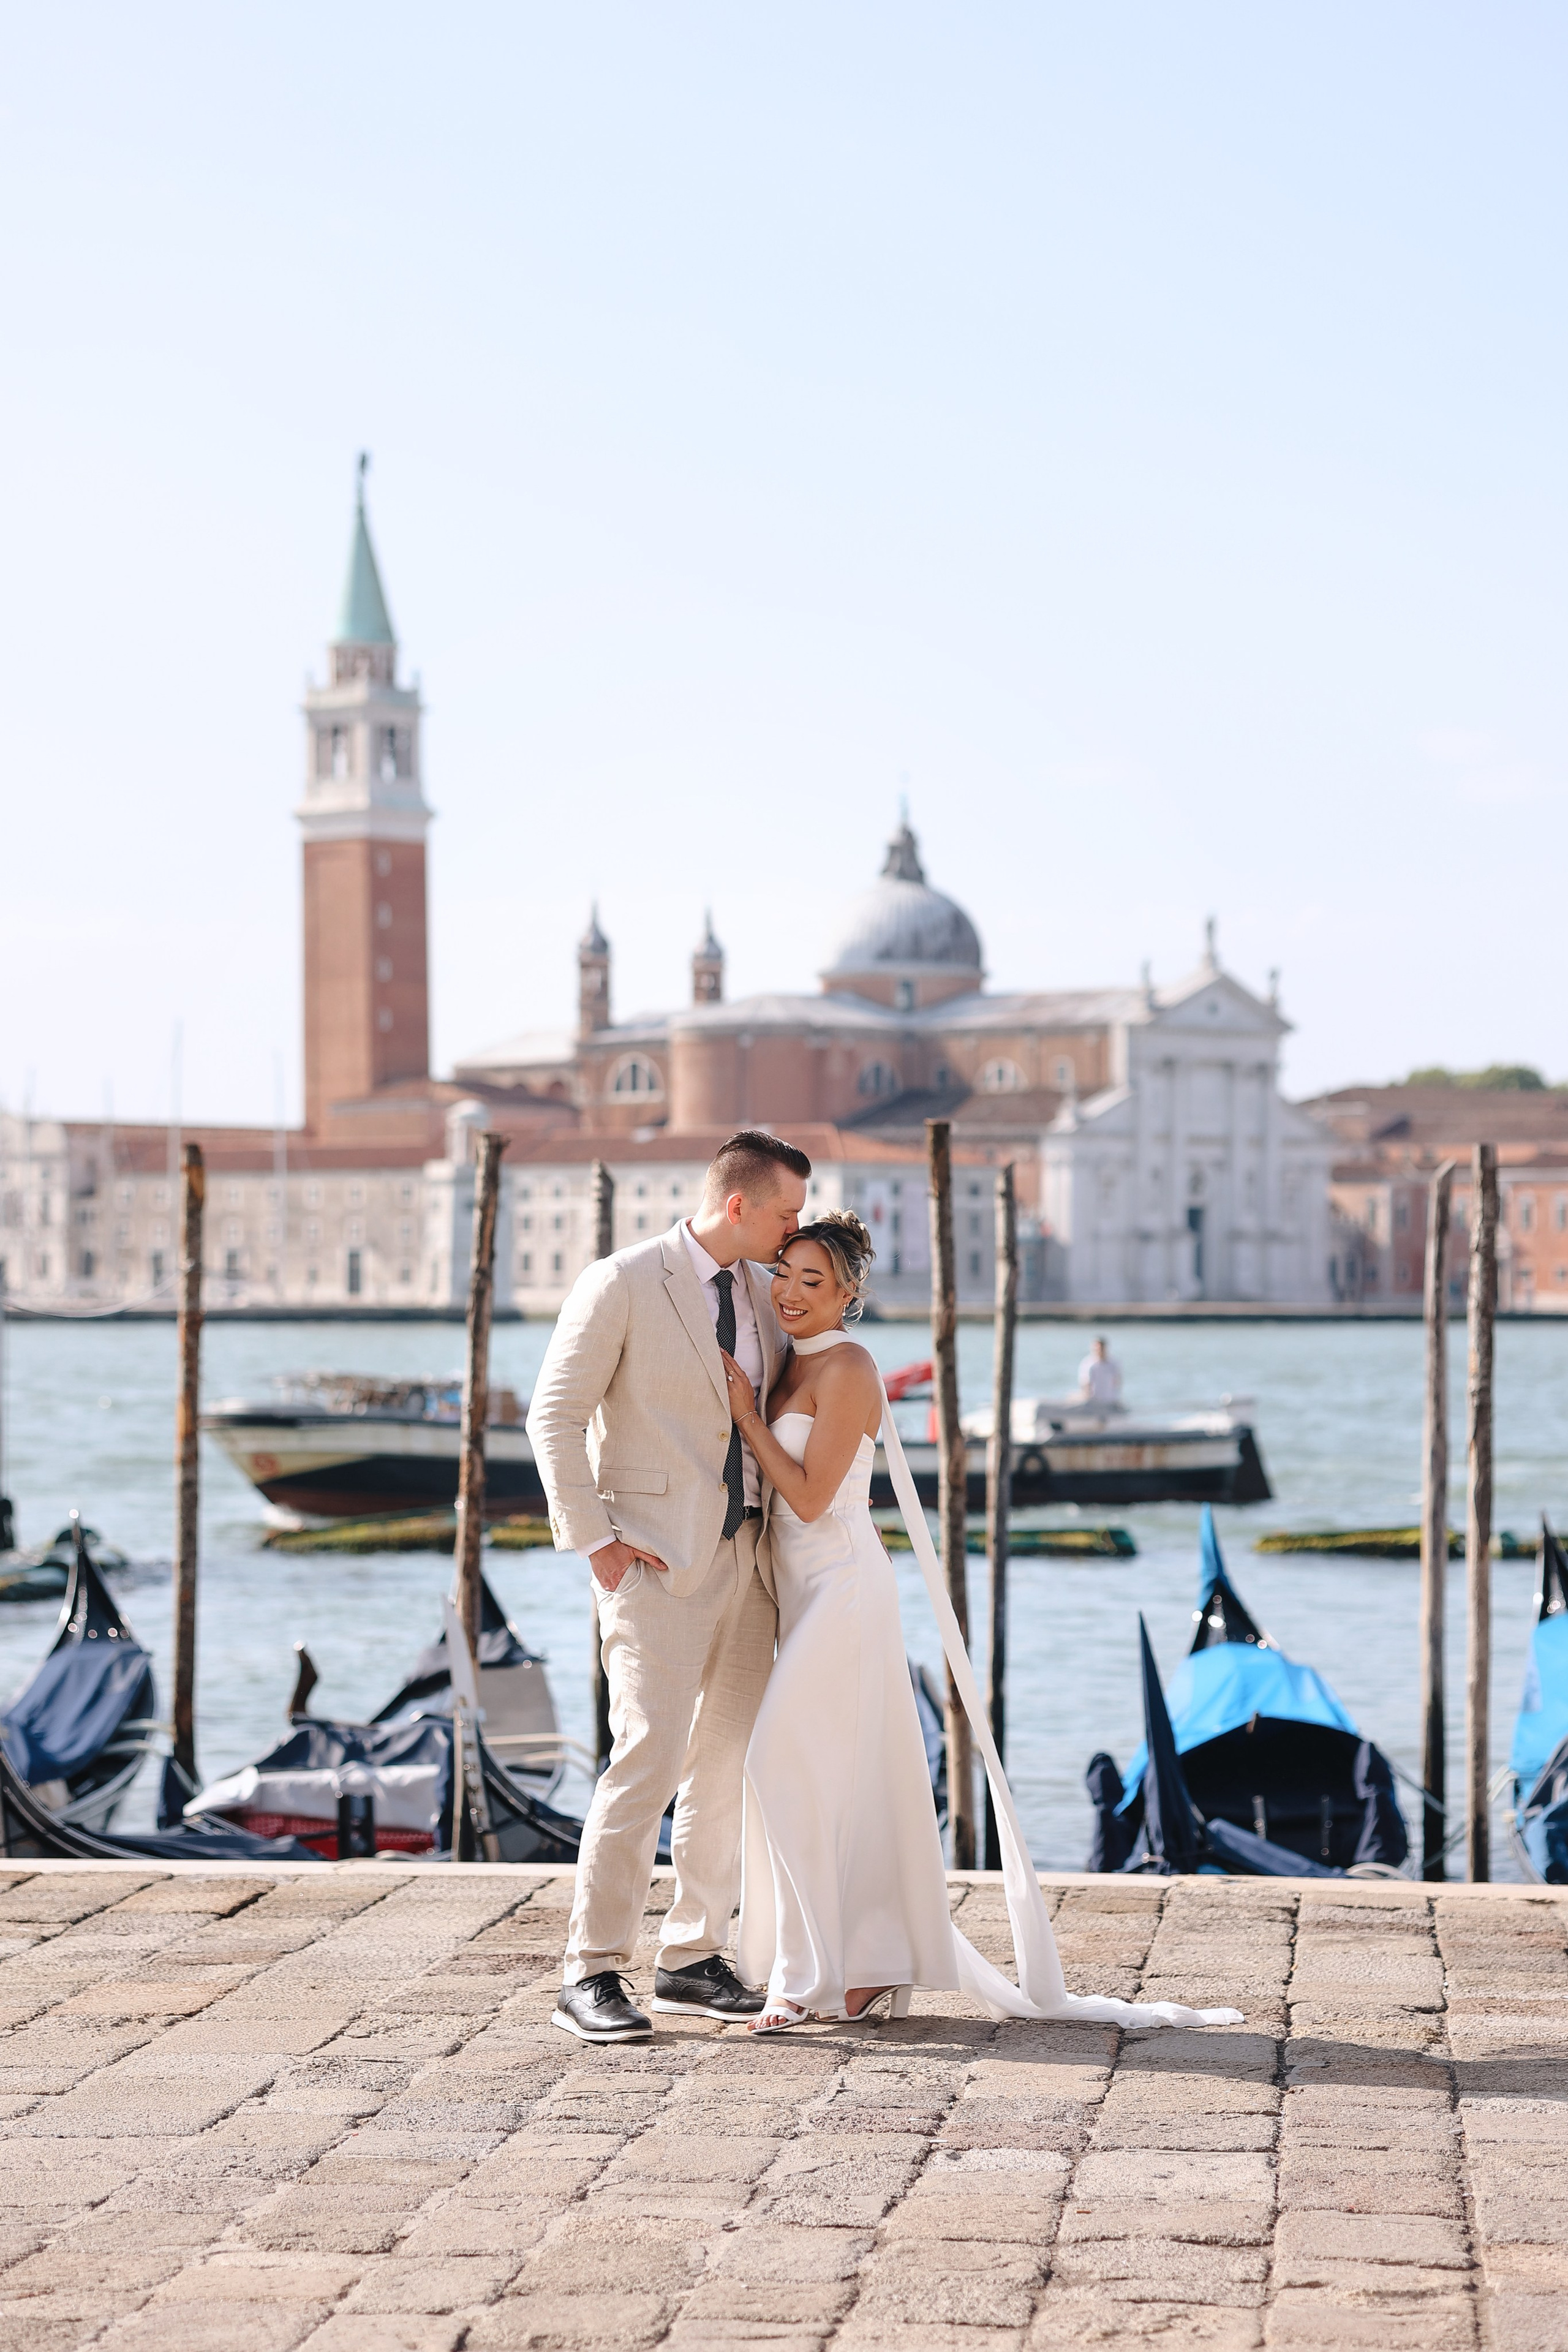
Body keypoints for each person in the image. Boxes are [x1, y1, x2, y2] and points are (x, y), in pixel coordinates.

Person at [724, 1212, 1242, 2036]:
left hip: (843, 1588)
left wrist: (746, 1417)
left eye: (812, 1281)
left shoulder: (849, 1365)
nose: (788, 1292)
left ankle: (812, 1975)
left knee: (775, 1760)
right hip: (795, 1588)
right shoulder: (788, 1363)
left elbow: (815, 1497)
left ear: (849, 1294)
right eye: (782, 1274)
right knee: (832, 1778)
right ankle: (859, 1972)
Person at [527, 1128, 810, 2043]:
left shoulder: (768, 1296)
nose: (793, 1227)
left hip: (749, 1563)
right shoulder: (622, 1281)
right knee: (645, 1759)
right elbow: (554, 1416)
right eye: (786, 1212)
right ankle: (592, 1969)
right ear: (739, 1206)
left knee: (725, 1767)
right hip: (650, 1561)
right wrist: (596, 1544)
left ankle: (691, 1954)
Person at [1077, 1335, 1123, 1408]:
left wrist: (1116, 1398)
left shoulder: (1114, 1363)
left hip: (1110, 1400)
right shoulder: (1088, 1363)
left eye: (1101, 1348)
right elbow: (1085, 1384)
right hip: (1093, 1401)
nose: (1099, 1350)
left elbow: (1117, 1382)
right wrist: (1088, 1399)